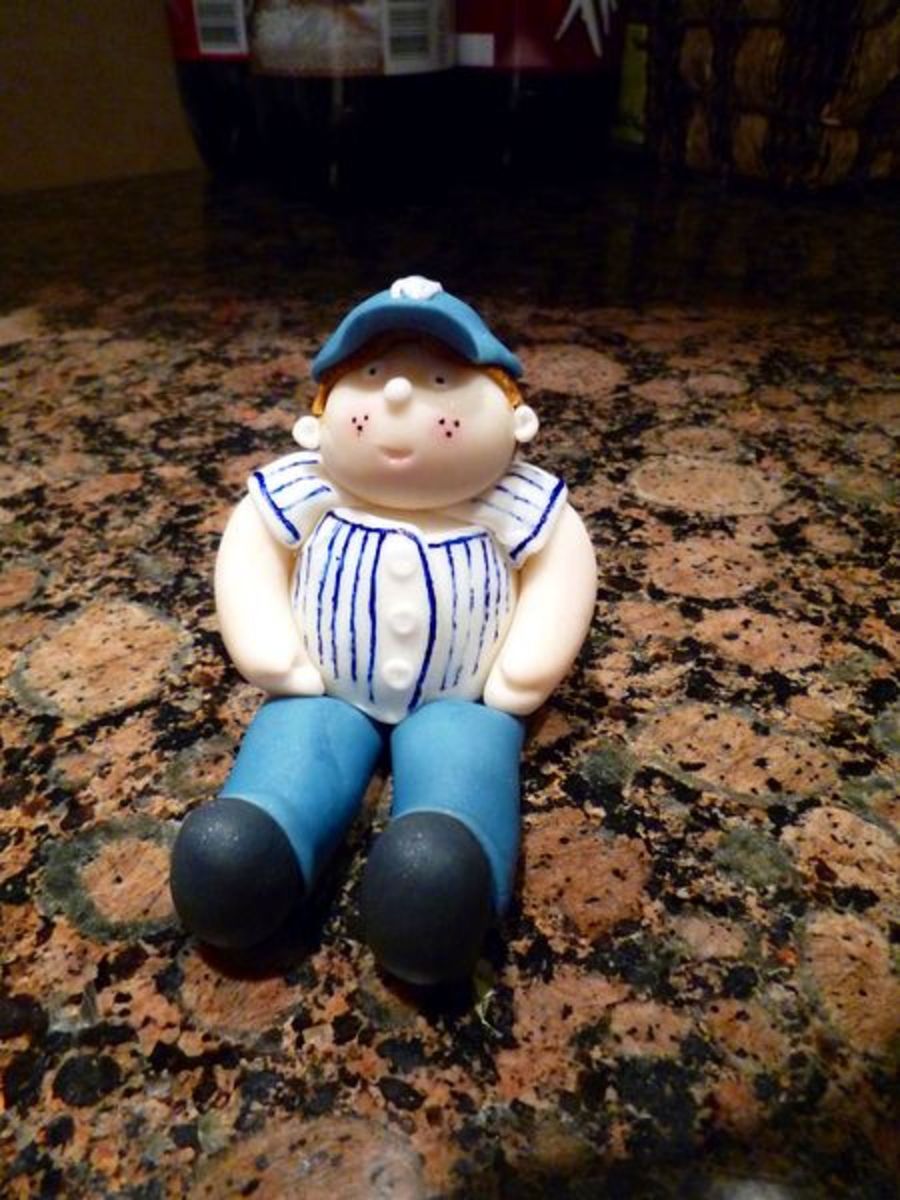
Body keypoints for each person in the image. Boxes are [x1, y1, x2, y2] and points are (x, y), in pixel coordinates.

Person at [170, 277, 596, 984]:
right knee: (290, 760)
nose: (398, 395)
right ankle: (261, 842)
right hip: (323, 692)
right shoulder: (308, 488)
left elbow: (562, 569)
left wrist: (528, 666)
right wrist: (267, 647)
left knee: (459, 781)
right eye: (370, 376)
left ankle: (452, 866)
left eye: (440, 380)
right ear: (319, 417)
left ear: (514, 416)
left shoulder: (519, 503)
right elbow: (251, 551)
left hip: (462, 700)